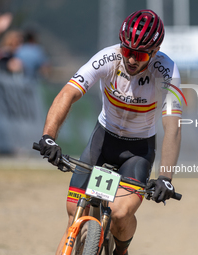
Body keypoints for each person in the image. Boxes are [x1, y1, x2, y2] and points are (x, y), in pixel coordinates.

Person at [38, 9, 182, 255]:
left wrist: (166, 178)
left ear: (155, 52)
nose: (132, 59)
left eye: (140, 55)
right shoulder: (108, 57)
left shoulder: (167, 71)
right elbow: (67, 94)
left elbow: (172, 126)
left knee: (119, 213)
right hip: (102, 141)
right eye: (127, 51)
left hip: (138, 151)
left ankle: (121, 250)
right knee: (74, 214)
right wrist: (48, 136)